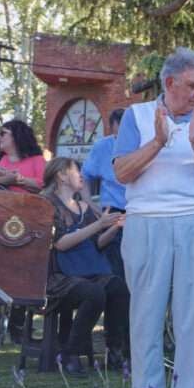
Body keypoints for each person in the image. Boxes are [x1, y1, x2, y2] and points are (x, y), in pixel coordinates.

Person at [113, 48, 194, 388]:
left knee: (193, 314)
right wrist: (159, 142)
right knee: (145, 312)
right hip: (146, 222)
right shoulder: (138, 116)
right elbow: (122, 173)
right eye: (193, 85)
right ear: (169, 83)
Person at [41, 158, 129, 375]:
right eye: (76, 171)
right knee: (95, 293)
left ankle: (114, 352)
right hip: (59, 276)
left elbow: (96, 244)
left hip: (86, 271)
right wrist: (98, 224)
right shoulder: (47, 204)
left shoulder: (84, 207)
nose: (81, 176)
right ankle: (70, 353)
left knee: (119, 287)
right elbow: (60, 244)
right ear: (61, 176)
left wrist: (115, 227)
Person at [81, 109, 128, 278]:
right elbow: (84, 176)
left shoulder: (144, 144)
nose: (122, 137)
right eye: (118, 133)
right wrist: (89, 203)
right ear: (111, 129)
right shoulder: (103, 146)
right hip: (113, 210)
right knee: (114, 265)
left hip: (139, 210)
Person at [0, 119, 46, 193]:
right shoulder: (3, 159)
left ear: (17, 135)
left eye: (2, 133)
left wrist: (17, 180)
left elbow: (43, 186)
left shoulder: (37, 160)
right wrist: (8, 179)